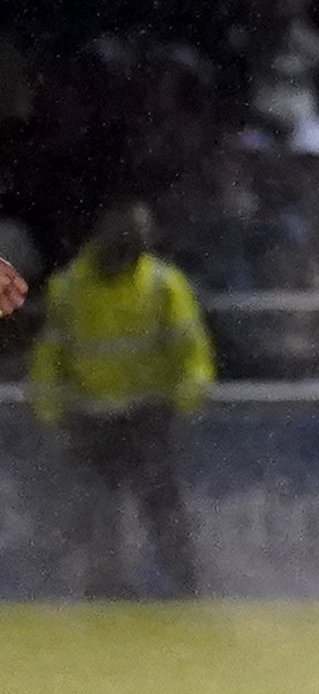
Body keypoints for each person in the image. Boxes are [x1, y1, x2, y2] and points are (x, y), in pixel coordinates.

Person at [27, 201, 213, 596]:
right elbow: (51, 356)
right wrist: (52, 413)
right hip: (90, 419)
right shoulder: (71, 287)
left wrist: (186, 397)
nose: (129, 246)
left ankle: (186, 585)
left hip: (147, 415)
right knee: (98, 510)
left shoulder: (163, 284)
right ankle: (106, 587)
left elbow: (190, 346)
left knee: (162, 506)